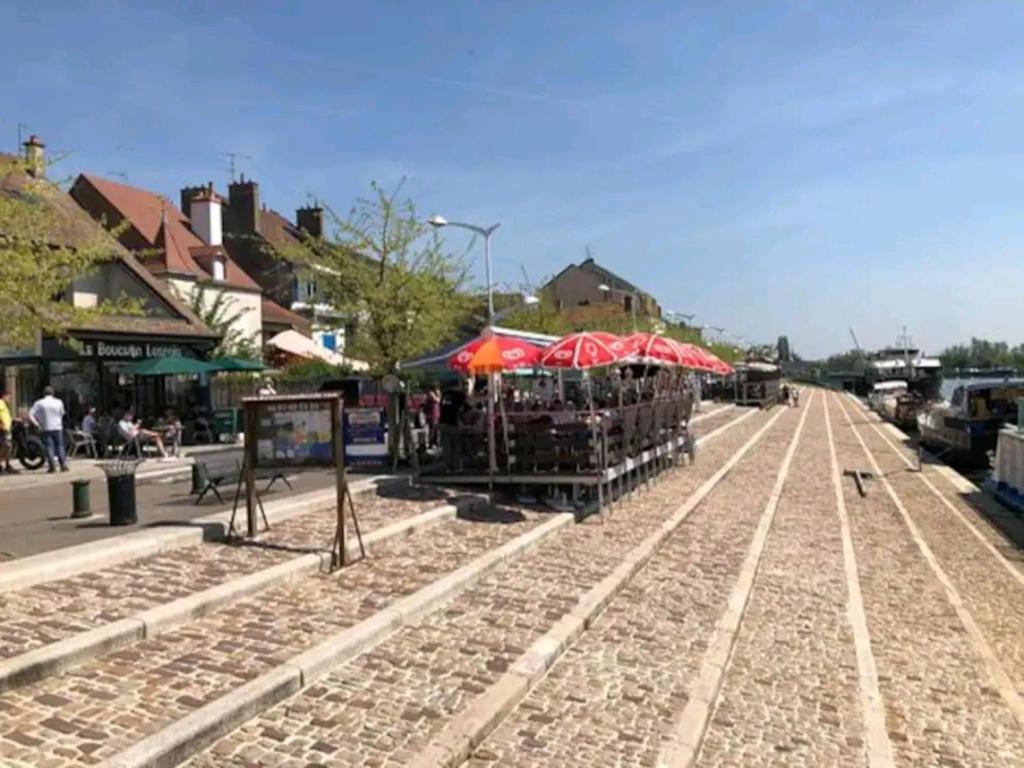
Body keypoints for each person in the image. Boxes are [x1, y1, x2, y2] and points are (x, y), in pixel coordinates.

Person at [30, 386, 68, 473]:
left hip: (45, 427)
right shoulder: (59, 402)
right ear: (53, 393)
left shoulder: (39, 403)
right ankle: (63, 465)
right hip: (57, 427)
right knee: (60, 446)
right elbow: (62, 413)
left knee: (49, 447)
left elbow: (30, 415)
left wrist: (37, 424)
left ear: (44, 393)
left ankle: (52, 466)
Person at [0, 389, 15, 474]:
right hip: (3, 430)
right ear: (4, 396)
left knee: (8, 447)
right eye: (8, 397)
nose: (9, 398)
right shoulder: (0, 403)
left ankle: (7, 465)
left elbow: (5, 416)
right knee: (5, 446)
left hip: (7, 429)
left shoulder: (4, 405)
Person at [425, 383, 442, 448]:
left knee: (436, 429)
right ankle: (431, 443)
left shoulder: (435, 393)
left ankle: (435, 442)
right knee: (432, 429)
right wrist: (439, 394)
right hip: (432, 414)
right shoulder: (430, 393)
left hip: (436, 413)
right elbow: (437, 400)